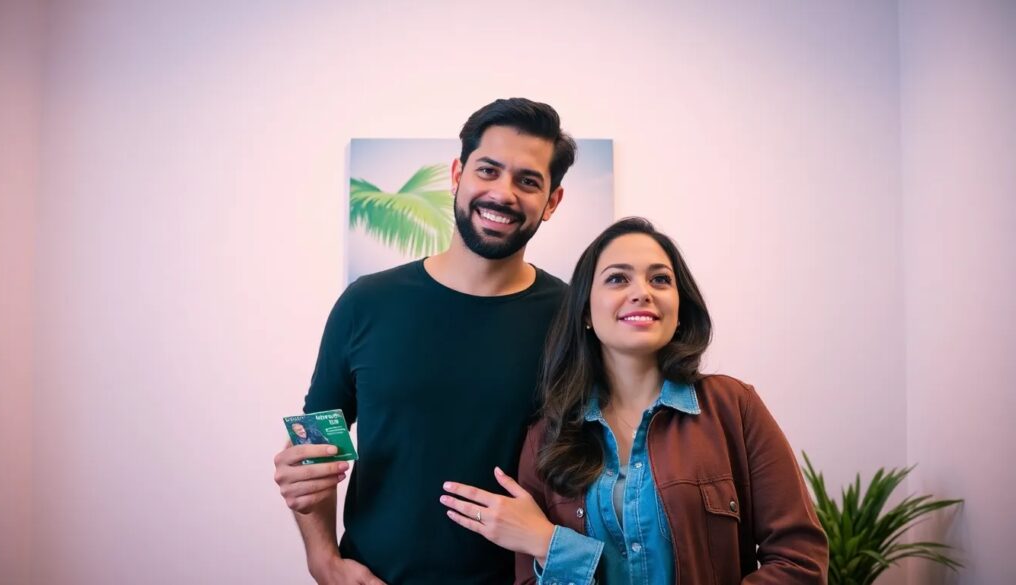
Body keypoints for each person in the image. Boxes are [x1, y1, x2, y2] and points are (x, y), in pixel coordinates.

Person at [272, 98, 578, 585]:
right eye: (488, 170)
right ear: (457, 174)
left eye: (527, 181)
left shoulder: (571, 320)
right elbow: (312, 443)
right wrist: (322, 560)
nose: (502, 193)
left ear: (552, 202)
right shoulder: (366, 303)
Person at [440, 217, 829, 584]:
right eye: (617, 278)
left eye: (660, 279)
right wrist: (545, 546)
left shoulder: (733, 407)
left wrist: (552, 545)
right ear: (586, 311)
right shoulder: (547, 437)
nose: (642, 292)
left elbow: (800, 562)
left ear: (679, 307)